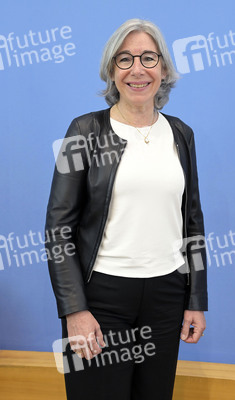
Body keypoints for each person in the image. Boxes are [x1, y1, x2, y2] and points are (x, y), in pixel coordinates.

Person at [45, 18, 208, 400]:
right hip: (100, 298)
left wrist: (195, 300)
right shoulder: (82, 131)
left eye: (149, 58)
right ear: (111, 71)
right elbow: (58, 229)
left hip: (167, 297)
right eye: (124, 59)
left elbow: (193, 223)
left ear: (164, 69)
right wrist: (74, 309)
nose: (137, 69)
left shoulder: (181, 134)